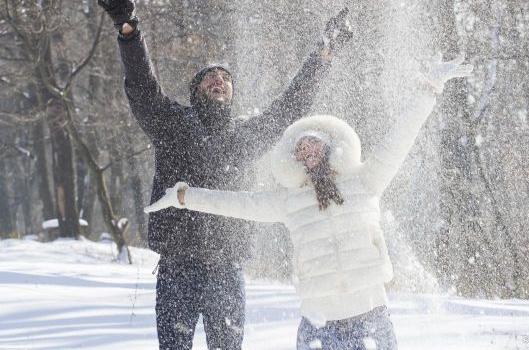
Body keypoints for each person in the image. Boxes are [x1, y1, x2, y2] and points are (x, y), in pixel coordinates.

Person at [145, 55, 474, 349]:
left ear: (331, 146)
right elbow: (234, 204)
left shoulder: (364, 182)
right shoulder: (290, 200)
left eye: (313, 143)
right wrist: (184, 196)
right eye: (299, 148)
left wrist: (429, 89)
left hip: (371, 317)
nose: (306, 149)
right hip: (318, 325)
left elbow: (399, 139)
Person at [97, 0, 353, 350]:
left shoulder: (244, 135)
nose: (220, 80)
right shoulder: (171, 124)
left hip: (226, 268)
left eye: (226, 78)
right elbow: (141, 87)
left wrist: (322, 56)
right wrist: (129, 31)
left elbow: (290, 107)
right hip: (177, 266)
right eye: (210, 76)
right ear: (196, 90)